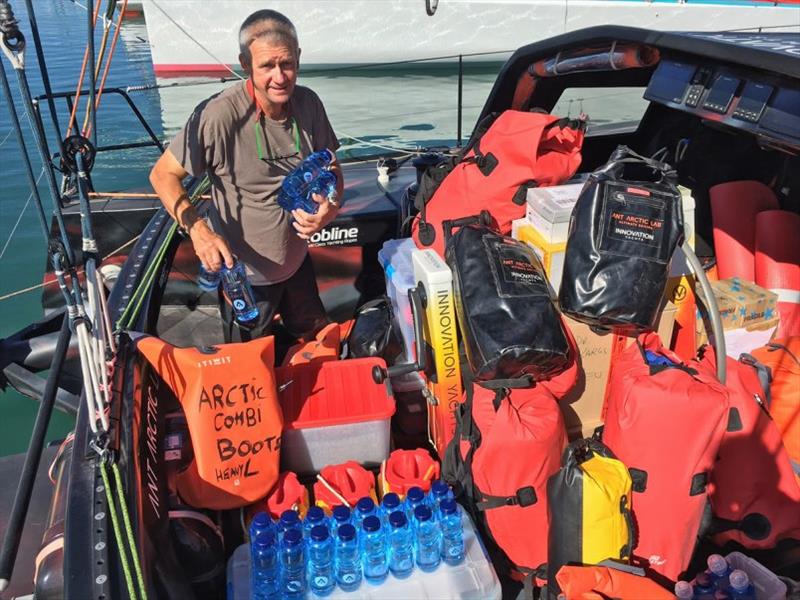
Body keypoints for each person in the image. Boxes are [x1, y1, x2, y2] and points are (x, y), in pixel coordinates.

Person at [149, 9, 343, 343]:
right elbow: (162, 174)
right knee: (254, 359)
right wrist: (200, 233)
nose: (280, 77)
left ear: (298, 58)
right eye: (267, 66)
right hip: (247, 279)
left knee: (312, 340)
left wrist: (333, 205)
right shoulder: (218, 116)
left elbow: (332, 165)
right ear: (245, 64)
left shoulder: (309, 103)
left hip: (297, 264)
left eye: (287, 64)